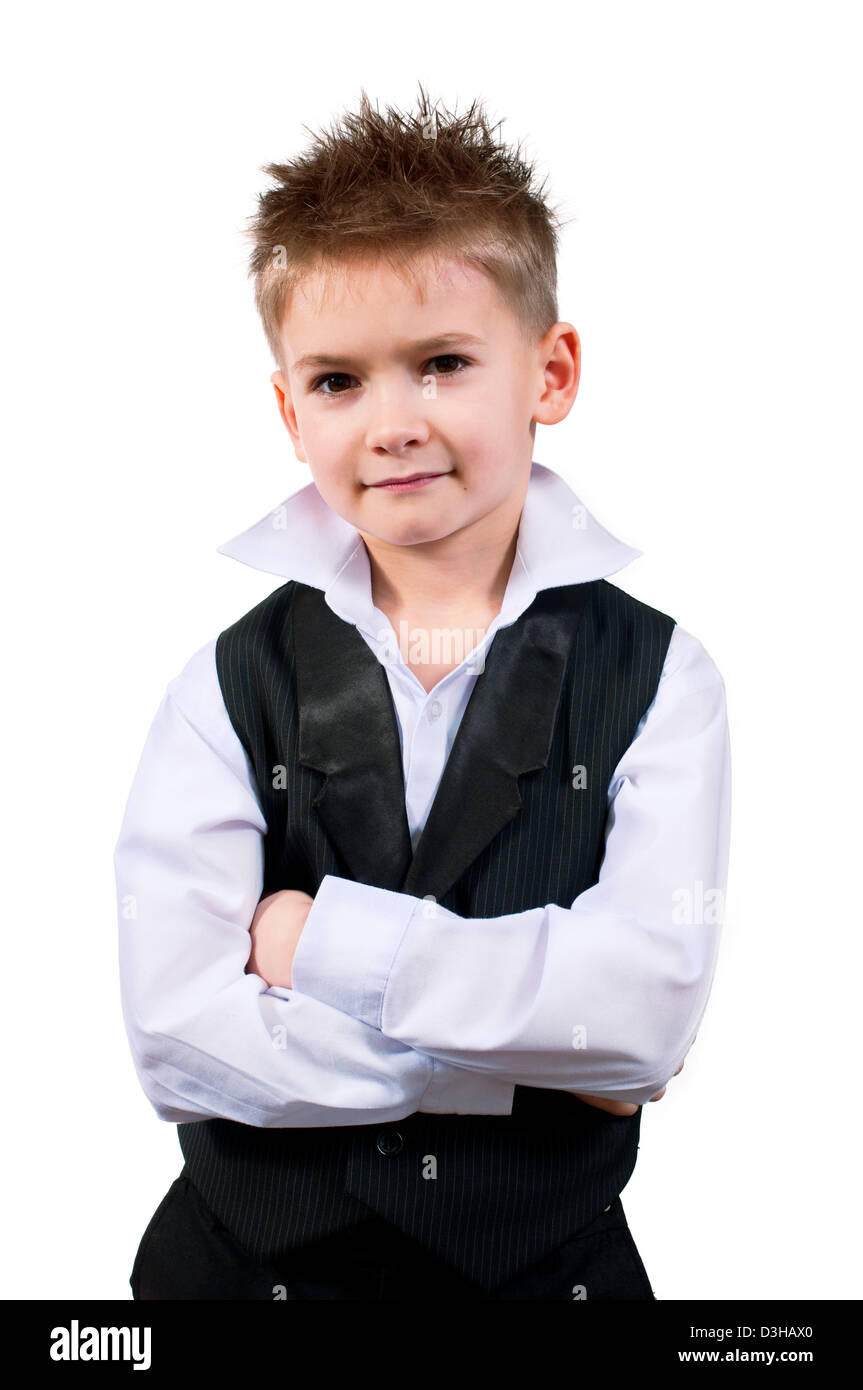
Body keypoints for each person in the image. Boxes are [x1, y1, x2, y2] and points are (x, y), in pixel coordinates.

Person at [114, 86, 731, 1301]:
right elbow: (180, 1042)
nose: (391, 422)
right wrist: (536, 1059)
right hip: (243, 1279)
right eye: (338, 382)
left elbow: (643, 1015)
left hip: (545, 1281)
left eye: (441, 363)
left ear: (548, 371)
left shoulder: (662, 677)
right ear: (290, 412)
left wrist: (312, 943)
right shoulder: (224, 686)